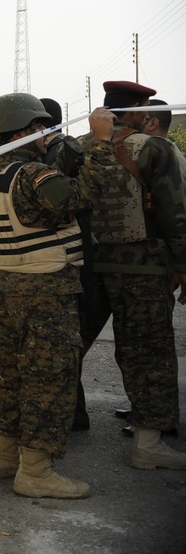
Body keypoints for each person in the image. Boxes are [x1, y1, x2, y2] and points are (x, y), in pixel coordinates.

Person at [0, 94, 119, 498]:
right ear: (23, 131)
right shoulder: (32, 174)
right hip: (45, 292)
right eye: (40, 127)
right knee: (48, 380)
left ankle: (4, 456)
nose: (45, 134)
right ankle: (35, 471)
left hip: (6, 287)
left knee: (10, 376)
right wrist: (101, 142)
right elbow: (84, 196)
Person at [74, 80, 186, 470]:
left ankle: (52, 425)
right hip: (142, 268)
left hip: (86, 265)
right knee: (149, 354)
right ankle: (148, 444)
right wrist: (182, 264)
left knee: (69, 347)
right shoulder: (154, 148)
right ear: (139, 110)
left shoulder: (77, 147)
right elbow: (175, 211)